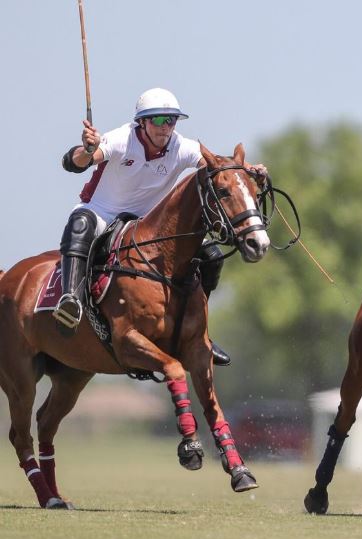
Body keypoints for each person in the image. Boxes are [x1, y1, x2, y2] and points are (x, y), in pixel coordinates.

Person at [54, 88, 266, 367]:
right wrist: (87, 150)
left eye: (172, 120)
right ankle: (70, 300)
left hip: (147, 222)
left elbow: (219, 169)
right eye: (158, 120)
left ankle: (200, 333)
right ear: (142, 122)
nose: (166, 127)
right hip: (102, 211)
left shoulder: (181, 146)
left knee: (212, 256)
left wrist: (250, 170)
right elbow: (73, 163)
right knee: (80, 224)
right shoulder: (121, 138)